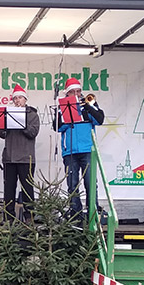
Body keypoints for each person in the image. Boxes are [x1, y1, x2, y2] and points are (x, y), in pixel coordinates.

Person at [55, 77, 105, 219]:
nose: (77, 94)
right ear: (67, 93)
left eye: (78, 91)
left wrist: (87, 107)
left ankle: (92, 214)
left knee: (90, 183)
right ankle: (75, 214)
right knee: (72, 185)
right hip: (70, 151)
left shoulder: (89, 103)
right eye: (73, 92)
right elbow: (57, 127)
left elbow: (99, 120)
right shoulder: (62, 107)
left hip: (88, 150)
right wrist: (69, 118)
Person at [0, 85, 40, 221]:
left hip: (26, 158)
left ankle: (29, 217)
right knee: (9, 189)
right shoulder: (7, 114)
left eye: (20, 98)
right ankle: (8, 218)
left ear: (25, 99)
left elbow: (33, 133)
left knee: (27, 189)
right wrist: (4, 124)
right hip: (9, 157)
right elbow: (2, 134)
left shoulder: (33, 115)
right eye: (15, 98)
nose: (17, 101)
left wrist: (20, 122)